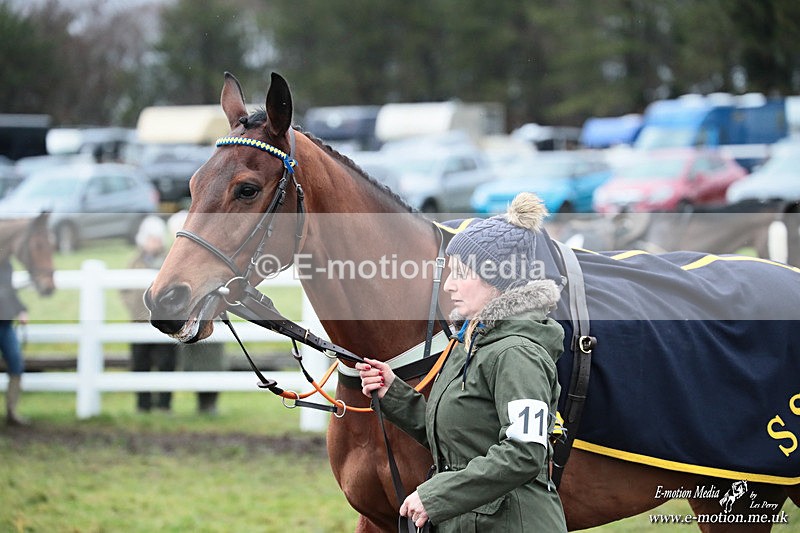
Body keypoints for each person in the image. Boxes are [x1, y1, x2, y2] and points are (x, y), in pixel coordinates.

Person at [357, 192, 568, 532]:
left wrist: (435, 496)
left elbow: (525, 454)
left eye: (461, 273)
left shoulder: (518, 354)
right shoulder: (469, 344)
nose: (449, 285)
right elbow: (456, 436)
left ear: (497, 281)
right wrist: (392, 393)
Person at [121, 216, 177, 413]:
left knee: (166, 362)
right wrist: (136, 309)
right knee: (140, 362)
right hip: (139, 321)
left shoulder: (170, 259)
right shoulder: (134, 262)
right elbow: (124, 291)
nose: (155, 242)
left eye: (158, 238)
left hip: (165, 322)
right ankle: (143, 404)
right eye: (152, 238)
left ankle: (164, 404)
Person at [0, 257, 30, 426]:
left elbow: (9, 293)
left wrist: (21, 311)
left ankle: (11, 411)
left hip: (6, 325)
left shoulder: (6, 266)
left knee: (16, 362)